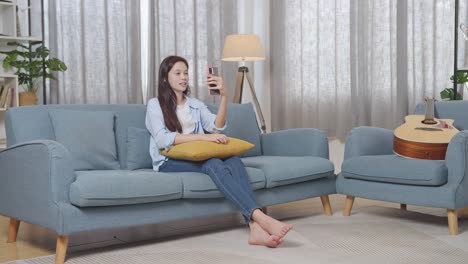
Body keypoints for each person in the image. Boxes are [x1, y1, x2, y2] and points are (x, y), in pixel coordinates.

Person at [145, 55, 292, 248]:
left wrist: (224, 96)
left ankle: (254, 227)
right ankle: (260, 218)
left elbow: (217, 126)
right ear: (165, 78)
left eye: (186, 73)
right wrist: (203, 137)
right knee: (213, 163)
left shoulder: (195, 104)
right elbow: (162, 139)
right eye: (178, 73)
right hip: (168, 160)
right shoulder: (155, 105)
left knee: (233, 160)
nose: (183, 77)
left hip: (196, 154)